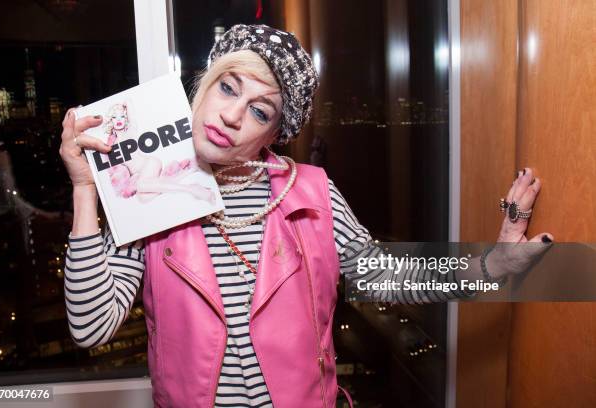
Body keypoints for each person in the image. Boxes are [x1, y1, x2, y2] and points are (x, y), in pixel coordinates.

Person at [58, 24, 553, 407]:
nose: (232, 115)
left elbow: (386, 275)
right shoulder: (149, 191)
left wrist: (492, 265)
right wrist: (87, 189)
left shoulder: (309, 192)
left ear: (274, 133)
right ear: (203, 87)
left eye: (260, 111)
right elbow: (91, 327)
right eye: (228, 89)